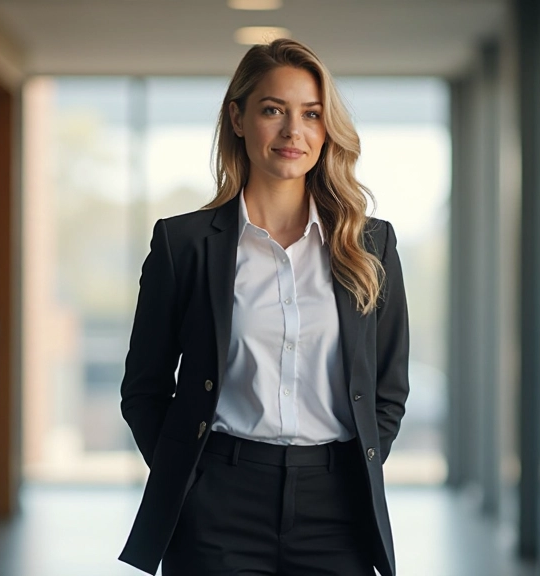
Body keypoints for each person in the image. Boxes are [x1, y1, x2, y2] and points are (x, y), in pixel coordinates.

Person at [118, 38, 409, 576]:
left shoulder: (370, 245)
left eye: (311, 114)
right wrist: (189, 477)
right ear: (237, 117)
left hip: (337, 507)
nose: (292, 131)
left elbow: (388, 388)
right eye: (273, 110)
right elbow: (144, 388)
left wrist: (350, 470)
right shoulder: (183, 246)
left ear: (326, 130)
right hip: (218, 503)